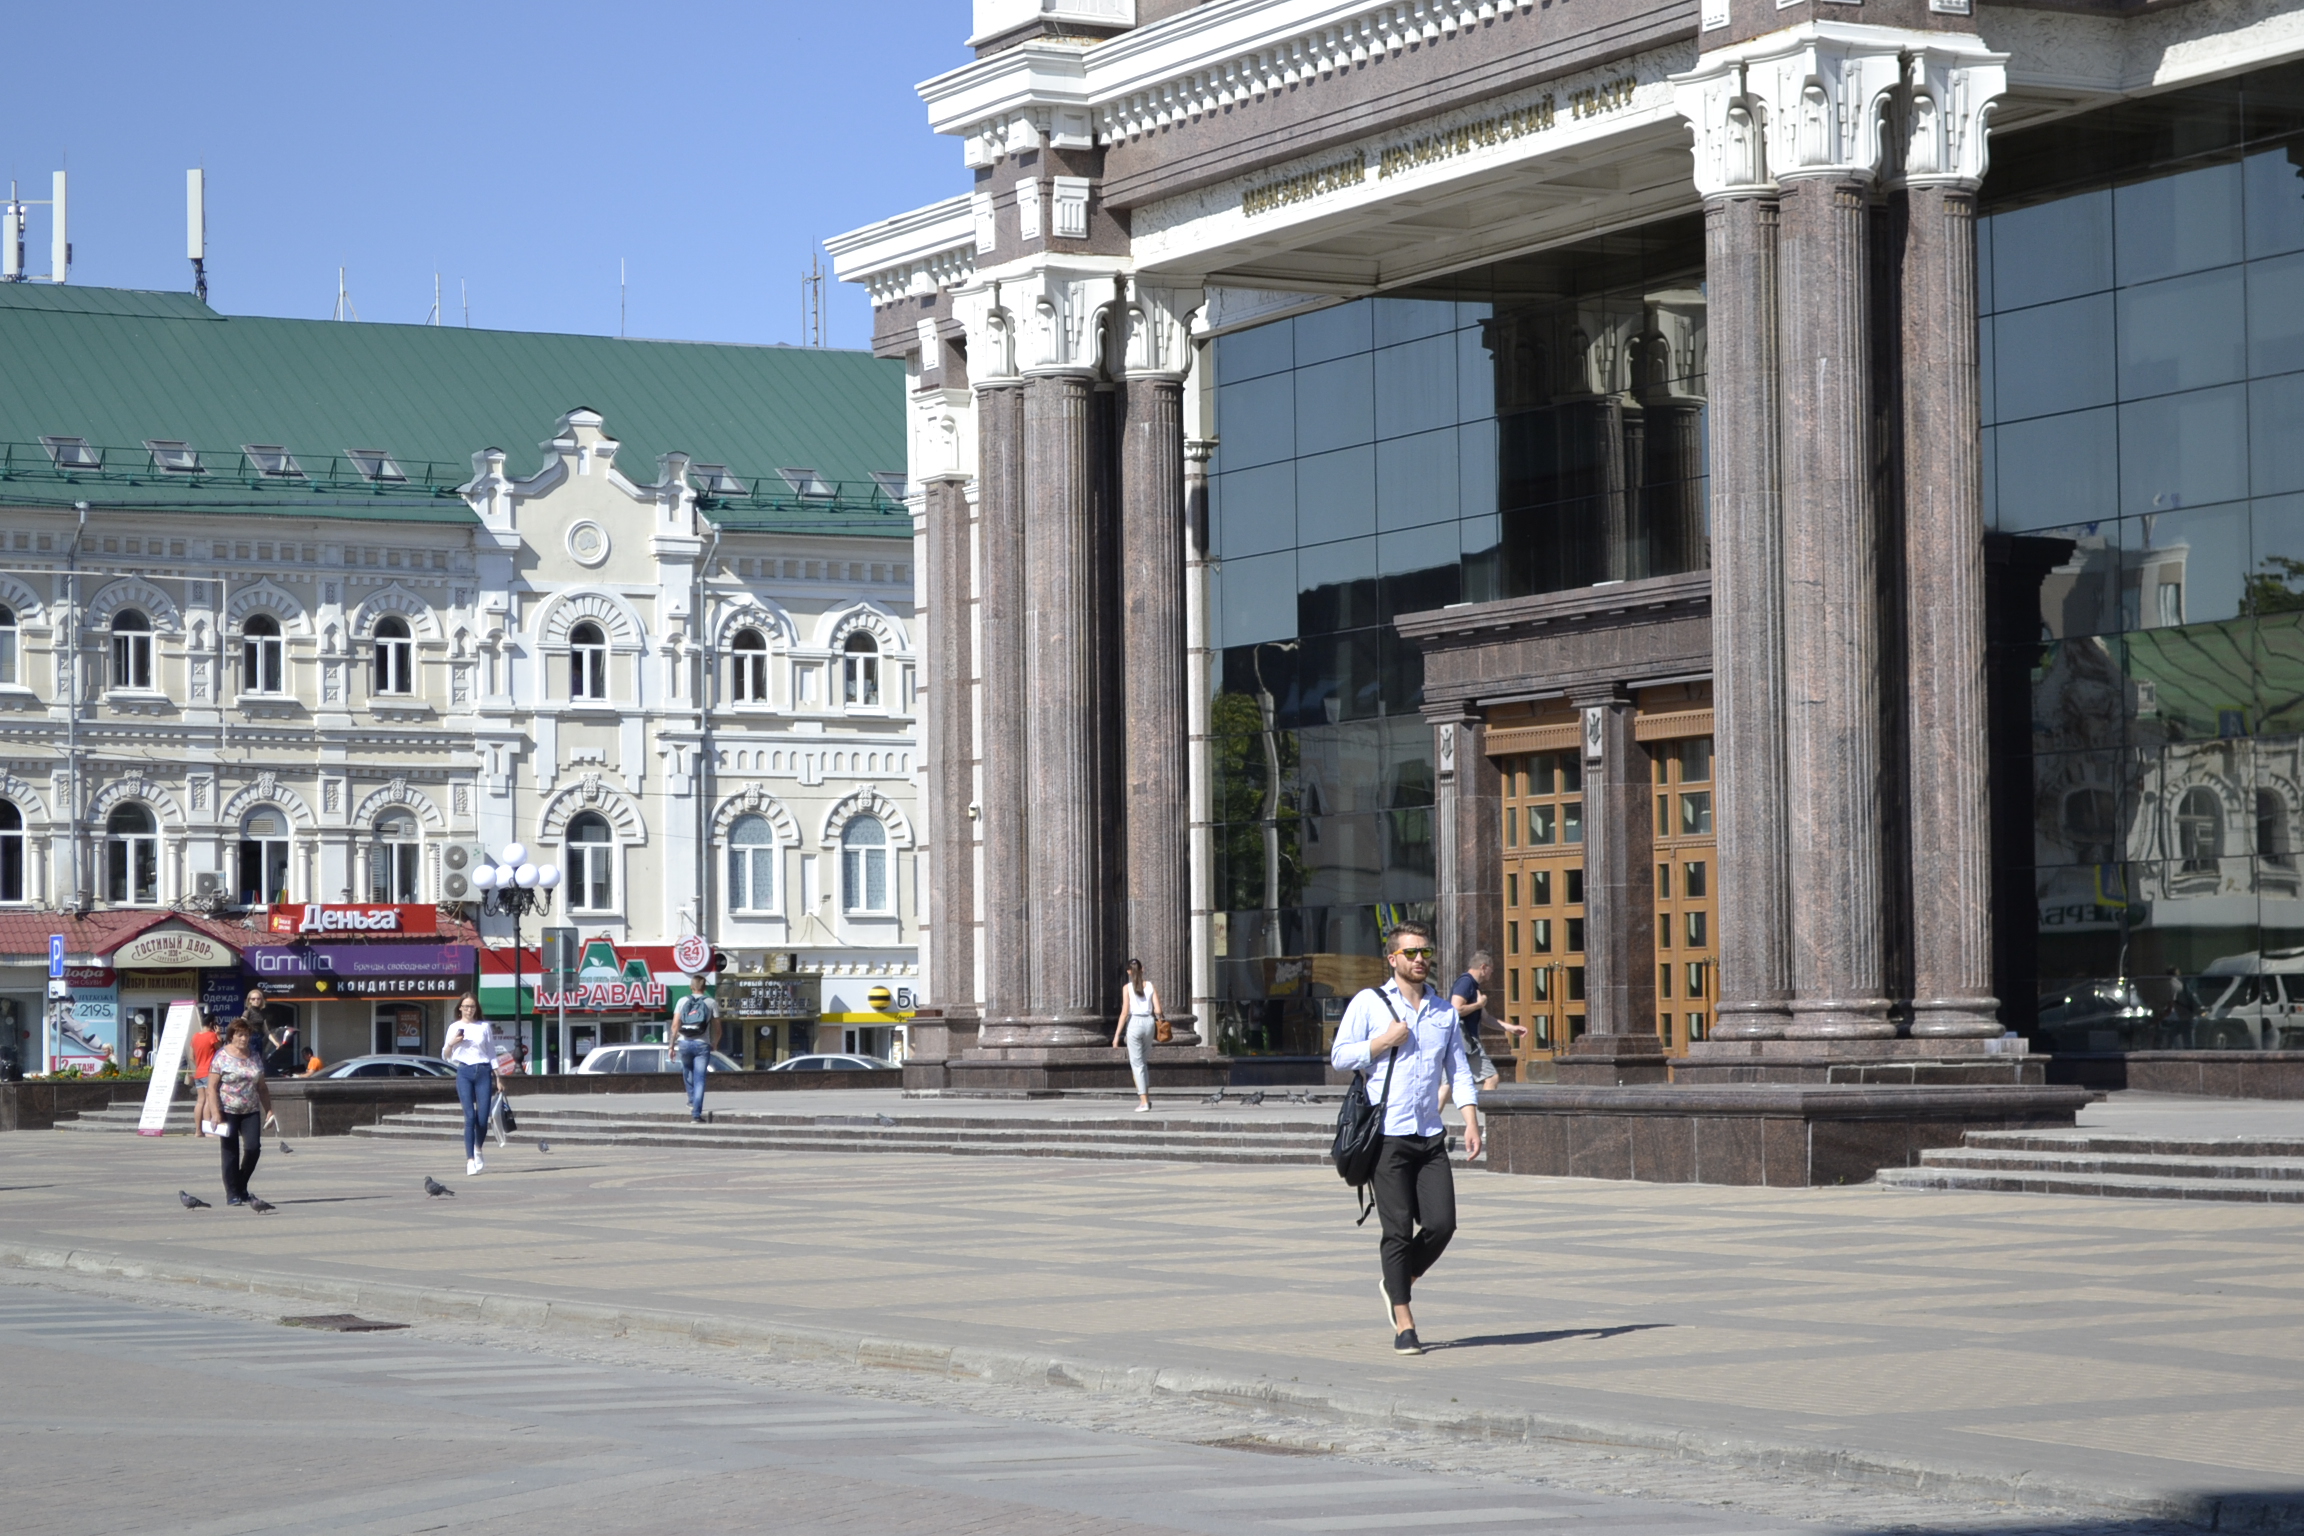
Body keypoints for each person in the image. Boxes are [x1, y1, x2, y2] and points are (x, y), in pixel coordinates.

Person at [1329, 920, 1481, 1357]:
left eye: (1425, 952)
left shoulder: (1443, 1012)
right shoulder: (1370, 1003)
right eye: (1411, 953)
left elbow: (1460, 1073)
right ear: (1392, 958)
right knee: (1396, 1231)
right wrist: (1381, 1043)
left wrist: (1471, 1122)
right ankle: (1404, 1321)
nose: (1420, 960)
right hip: (1388, 1137)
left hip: (1429, 1134)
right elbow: (1340, 1056)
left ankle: (1396, 1278)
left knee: (1441, 1224)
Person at [211, 1018, 273, 1207]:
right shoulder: (221, 1056)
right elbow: (212, 1087)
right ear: (231, 1036)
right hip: (228, 1110)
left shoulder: (254, 1057)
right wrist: (215, 1112)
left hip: (250, 1109)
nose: (244, 1038)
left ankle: (241, 1185)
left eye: (246, 1035)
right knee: (230, 1152)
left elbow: (262, 1087)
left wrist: (269, 1109)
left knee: (253, 1148)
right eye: (240, 1034)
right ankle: (232, 1193)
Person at [441, 994, 499, 1176]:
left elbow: (491, 1052)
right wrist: (452, 1043)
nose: (469, 1010)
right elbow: (445, 1055)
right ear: (460, 1008)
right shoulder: (454, 1027)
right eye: (466, 1006)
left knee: (482, 1118)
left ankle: (478, 1149)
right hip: (464, 1072)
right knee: (470, 1117)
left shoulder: (484, 1027)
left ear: (476, 1008)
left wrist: (498, 1077)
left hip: (483, 1072)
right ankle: (470, 1160)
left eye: (472, 1007)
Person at [1448, 952, 1523, 1092]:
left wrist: (1511, 1028)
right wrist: (1478, 1004)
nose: (1492, 973)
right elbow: (1455, 1009)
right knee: (1491, 1078)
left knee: (1447, 1085)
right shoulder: (1466, 982)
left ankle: (1427, 1114)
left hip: (1456, 1041)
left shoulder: (1473, 986)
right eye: (1491, 969)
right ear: (1483, 967)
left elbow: (1486, 1018)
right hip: (1465, 1041)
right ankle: (1487, 1112)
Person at [1111, 959, 1163, 1113]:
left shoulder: (1127, 988)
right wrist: (1161, 1023)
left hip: (1135, 1023)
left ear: (1128, 971)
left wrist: (1116, 1036)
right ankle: (1146, 1098)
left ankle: (1144, 1101)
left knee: (1137, 1064)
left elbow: (1125, 1012)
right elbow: (1158, 1010)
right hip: (1149, 1023)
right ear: (1143, 969)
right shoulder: (1151, 986)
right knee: (1143, 1063)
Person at [672, 976, 718, 1123]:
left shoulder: (682, 1001)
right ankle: (696, 1115)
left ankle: (691, 1100)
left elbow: (675, 1026)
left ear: (691, 987)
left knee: (687, 1071)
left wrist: (671, 1046)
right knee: (700, 1079)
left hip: (684, 1043)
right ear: (705, 988)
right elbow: (718, 1028)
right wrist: (715, 1042)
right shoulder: (711, 1003)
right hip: (702, 1044)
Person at [189, 1011, 222, 1137]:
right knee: (209, 1099)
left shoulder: (195, 1036)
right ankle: (208, 1129)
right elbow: (220, 1051)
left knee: (200, 1101)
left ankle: (198, 1131)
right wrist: (218, 1034)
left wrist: (200, 1064)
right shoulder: (211, 1036)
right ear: (212, 1023)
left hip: (199, 1072)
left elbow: (192, 1056)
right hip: (210, 1072)